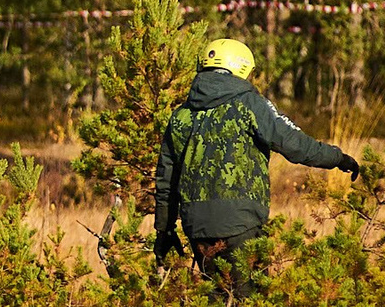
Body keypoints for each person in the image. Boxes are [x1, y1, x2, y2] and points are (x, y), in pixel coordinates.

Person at [154, 39, 363, 286]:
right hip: (241, 221)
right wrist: (337, 158)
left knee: (214, 305)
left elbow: (166, 179)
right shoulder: (250, 103)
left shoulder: (181, 115)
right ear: (242, 68)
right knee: (247, 306)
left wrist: (164, 230)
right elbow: (293, 143)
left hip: (197, 225)